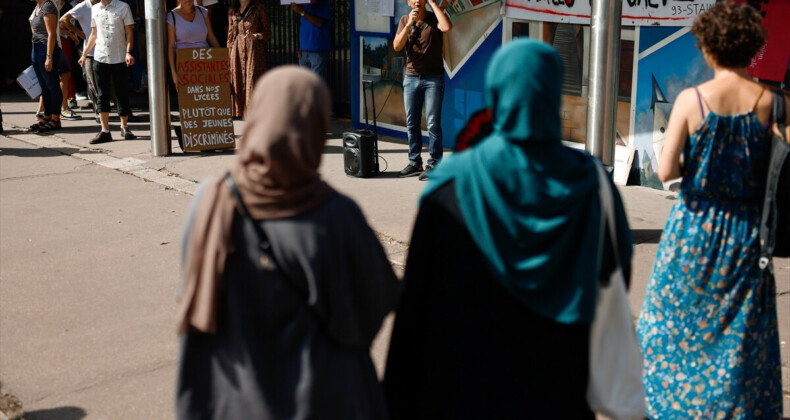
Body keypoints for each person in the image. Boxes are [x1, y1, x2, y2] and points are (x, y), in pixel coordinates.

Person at [382, 39, 633, 419]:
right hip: (557, 389)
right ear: (553, 93)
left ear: (497, 94)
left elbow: (416, 303)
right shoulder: (592, 186)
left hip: (463, 389)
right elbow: (618, 273)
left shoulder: (450, 187)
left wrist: (397, 401)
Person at [176, 66, 399, 419]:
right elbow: (373, 303)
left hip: (235, 398)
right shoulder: (336, 215)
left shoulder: (211, 200)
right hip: (325, 397)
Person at [636, 3, 786, 418]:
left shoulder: (691, 100)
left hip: (694, 229)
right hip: (745, 233)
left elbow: (666, 169)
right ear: (752, 47)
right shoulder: (775, 104)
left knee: (673, 325)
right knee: (739, 333)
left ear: (708, 49)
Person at [393, 0, 451, 179]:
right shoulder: (404, 20)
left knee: (433, 123)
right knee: (412, 123)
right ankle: (414, 162)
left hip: (433, 78)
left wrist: (434, 4)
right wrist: (410, 24)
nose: (417, 0)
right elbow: (397, 46)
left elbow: (446, 27)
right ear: (409, 2)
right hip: (411, 78)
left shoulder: (435, 18)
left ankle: (434, 164)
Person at [78, 0, 136, 143]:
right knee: (102, 95)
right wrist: (84, 54)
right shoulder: (95, 8)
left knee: (121, 92)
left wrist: (128, 52)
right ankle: (105, 130)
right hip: (100, 56)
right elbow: (94, 34)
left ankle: (124, 126)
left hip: (119, 57)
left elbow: (129, 32)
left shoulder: (123, 7)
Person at [167, 0, 220, 148]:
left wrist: (222, 60)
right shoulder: (171, 16)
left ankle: (206, 140)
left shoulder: (203, 12)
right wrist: (173, 72)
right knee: (189, 103)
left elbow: (211, 38)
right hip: (185, 65)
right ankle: (189, 136)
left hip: (205, 62)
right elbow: (171, 46)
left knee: (207, 102)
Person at [227, 0, 270, 118]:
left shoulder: (258, 8)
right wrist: (229, 56)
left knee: (253, 82)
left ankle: (255, 117)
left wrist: (255, 36)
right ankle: (244, 117)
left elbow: (268, 33)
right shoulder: (233, 10)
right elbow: (230, 36)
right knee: (239, 83)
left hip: (254, 50)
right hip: (237, 51)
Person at [60, 0, 100, 123]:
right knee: (91, 80)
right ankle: (99, 111)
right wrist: (78, 33)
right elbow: (63, 21)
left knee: (106, 81)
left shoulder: (106, 5)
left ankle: (116, 111)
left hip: (108, 49)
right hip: (90, 50)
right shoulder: (83, 6)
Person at [28, 0, 64, 132]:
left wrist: (49, 57)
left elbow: (51, 34)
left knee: (52, 84)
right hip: (36, 46)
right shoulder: (37, 7)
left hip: (46, 48)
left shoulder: (48, 6)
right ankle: (47, 116)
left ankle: (55, 119)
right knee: (43, 86)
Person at [289, 0, 330, 79]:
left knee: (316, 82)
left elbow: (319, 22)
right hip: (304, 49)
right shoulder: (305, 4)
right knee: (305, 82)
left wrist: (302, 12)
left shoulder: (322, 3)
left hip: (317, 48)